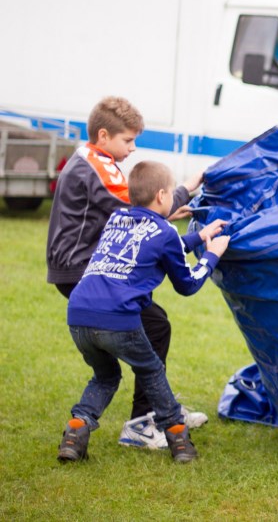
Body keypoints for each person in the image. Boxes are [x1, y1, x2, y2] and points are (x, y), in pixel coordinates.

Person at [46, 96, 207, 450]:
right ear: (103, 136)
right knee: (156, 327)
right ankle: (144, 421)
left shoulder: (90, 158)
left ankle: (148, 410)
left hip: (80, 270)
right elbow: (138, 201)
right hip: (82, 270)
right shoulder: (99, 166)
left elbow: (140, 213)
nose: (133, 149)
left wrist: (169, 213)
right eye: (128, 141)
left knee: (148, 329)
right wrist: (186, 189)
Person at [57, 160, 230, 464]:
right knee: (150, 371)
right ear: (163, 196)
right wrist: (212, 256)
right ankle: (178, 438)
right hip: (118, 317)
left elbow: (151, 245)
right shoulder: (164, 231)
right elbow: (187, 284)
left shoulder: (117, 217)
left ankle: (77, 429)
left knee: (106, 376)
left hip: (79, 312)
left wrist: (198, 238)